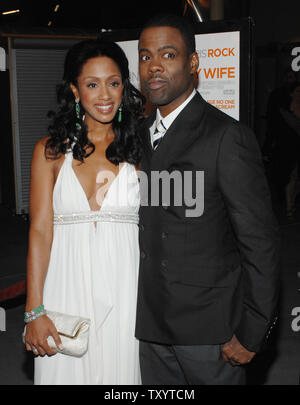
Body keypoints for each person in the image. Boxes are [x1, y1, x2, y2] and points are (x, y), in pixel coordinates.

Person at [135, 14, 281, 385]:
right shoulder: (136, 136)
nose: (154, 67)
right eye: (145, 56)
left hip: (210, 332)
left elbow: (259, 242)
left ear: (193, 63)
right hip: (150, 326)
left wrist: (253, 330)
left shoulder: (226, 137)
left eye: (168, 55)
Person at [24, 39, 144, 385]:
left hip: (127, 290)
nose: (105, 95)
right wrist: (35, 310)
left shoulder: (142, 150)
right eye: (92, 84)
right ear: (75, 90)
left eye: (114, 82)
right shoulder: (49, 152)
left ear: (124, 87)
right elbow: (40, 232)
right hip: (65, 287)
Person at [272, 81, 300, 218]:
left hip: (293, 146)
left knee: (294, 179)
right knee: (292, 178)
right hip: (291, 148)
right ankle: (290, 206)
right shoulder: (288, 109)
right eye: (297, 92)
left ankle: (291, 205)